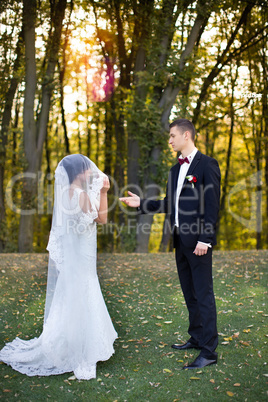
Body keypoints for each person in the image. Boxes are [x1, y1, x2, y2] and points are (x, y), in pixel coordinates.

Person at [0, 154, 117, 380]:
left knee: (72, 293)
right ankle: (83, 348)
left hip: (76, 254)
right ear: (77, 173)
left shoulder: (66, 193)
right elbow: (101, 219)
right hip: (82, 256)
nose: (89, 171)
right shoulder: (81, 195)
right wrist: (103, 192)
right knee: (84, 290)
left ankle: (67, 339)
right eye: (85, 168)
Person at [120, 119, 221, 369]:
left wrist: (205, 239)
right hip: (180, 239)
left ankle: (209, 351)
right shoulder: (175, 170)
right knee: (190, 293)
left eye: (173, 136)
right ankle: (197, 337)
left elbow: (211, 206)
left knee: (204, 294)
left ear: (187, 135)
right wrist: (142, 203)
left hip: (198, 241)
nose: (170, 140)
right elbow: (169, 203)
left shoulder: (207, 165)